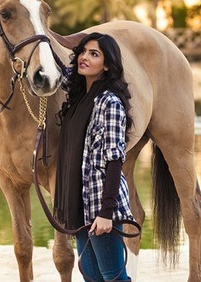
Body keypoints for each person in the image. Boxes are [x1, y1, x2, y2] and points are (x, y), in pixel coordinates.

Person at [54, 32, 134, 282]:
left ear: (107, 65)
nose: (84, 57)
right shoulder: (79, 100)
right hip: (80, 208)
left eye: (94, 54)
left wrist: (106, 213)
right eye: (83, 52)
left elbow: (114, 160)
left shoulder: (109, 102)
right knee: (92, 277)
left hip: (100, 207)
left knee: (113, 278)